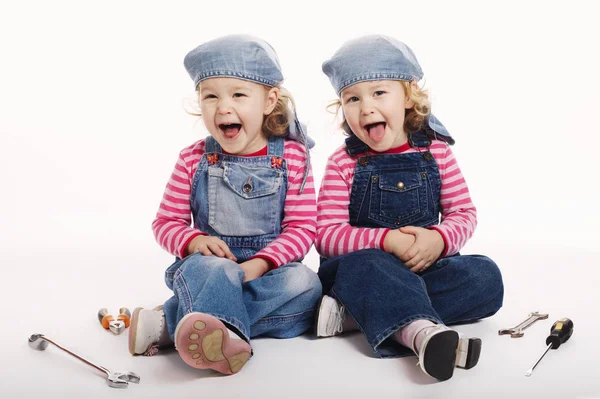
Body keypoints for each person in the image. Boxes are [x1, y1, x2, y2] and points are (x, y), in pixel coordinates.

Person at [127, 34, 322, 375]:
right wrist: (193, 241)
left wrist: (262, 263)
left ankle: (170, 322)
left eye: (238, 95)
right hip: (210, 269)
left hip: (266, 274)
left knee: (306, 285)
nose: (223, 107)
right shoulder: (193, 158)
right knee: (214, 271)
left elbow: (303, 227)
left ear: (268, 100)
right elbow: (166, 223)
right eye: (211, 96)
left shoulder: (293, 156)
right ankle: (227, 335)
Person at [314, 35, 504, 381]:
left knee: (486, 278)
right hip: (363, 269)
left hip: (424, 267)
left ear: (408, 96)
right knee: (368, 267)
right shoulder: (344, 162)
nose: (365, 107)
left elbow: (464, 213)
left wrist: (440, 240)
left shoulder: (437, 152)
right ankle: (420, 334)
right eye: (352, 98)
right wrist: (386, 241)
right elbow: (326, 236)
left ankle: (356, 316)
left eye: (379, 93)